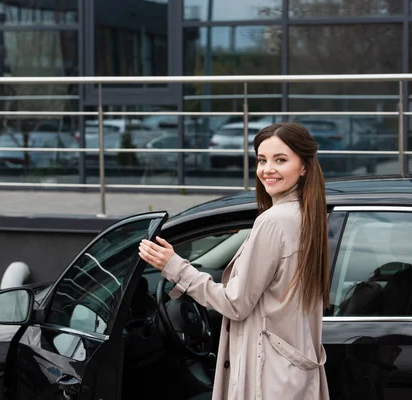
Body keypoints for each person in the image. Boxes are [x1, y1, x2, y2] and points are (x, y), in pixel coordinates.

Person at [139, 122, 330, 400]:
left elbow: (235, 303)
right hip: (293, 374)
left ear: (304, 166)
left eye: (281, 160)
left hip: (267, 377)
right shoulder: (310, 217)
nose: (267, 169)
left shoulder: (274, 221)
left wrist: (174, 267)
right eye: (262, 160)